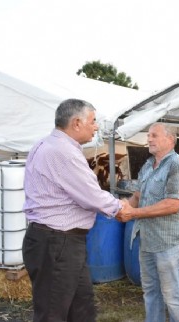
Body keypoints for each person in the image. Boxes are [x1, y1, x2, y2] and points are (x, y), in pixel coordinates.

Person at [22, 98, 128, 322]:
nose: (96, 126)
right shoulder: (63, 152)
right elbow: (91, 195)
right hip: (57, 242)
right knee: (53, 313)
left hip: (61, 242)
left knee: (81, 308)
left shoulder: (47, 144)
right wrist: (122, 208)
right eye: (93, 121)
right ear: (77, 123)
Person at [117, 122, 179, 322]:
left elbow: (172, 205)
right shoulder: (148, 165)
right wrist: (122, 206)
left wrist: (133, 214)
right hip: (148, 239)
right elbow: (137, 195)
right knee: (151, 291)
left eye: (154, 135)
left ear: (170, 139)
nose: (149, 139)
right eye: (148, 135)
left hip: (169, 242)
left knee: (173, 295)